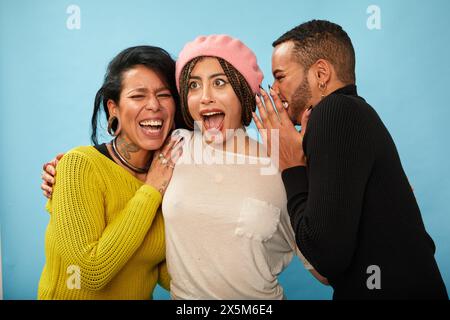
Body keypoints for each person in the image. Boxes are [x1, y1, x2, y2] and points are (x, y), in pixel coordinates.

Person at [42, 34, 328, 300]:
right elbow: (94, 270)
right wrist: (65, 171)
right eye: (193, 85)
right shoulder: (169, 154)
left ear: (243, 91)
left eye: (219, 83)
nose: (205, 97)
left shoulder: (279, 160)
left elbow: (323, 269)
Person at [253, 19, 448, 299]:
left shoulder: (334, 112)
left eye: (280, 76)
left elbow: (326, 256)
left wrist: (292, 167)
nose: (274, 90)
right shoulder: (354, 114)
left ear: (321, 73)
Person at [38, 45, 185, 299]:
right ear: (113, 108)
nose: (153, 105)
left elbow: (164, 274)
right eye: (138, 96)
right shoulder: (79, 165)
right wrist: (151, 191)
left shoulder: (169, 175)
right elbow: (90, 273)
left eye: (164, 95)